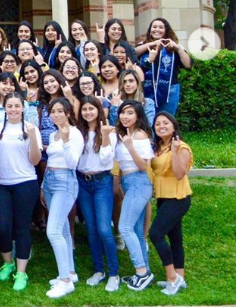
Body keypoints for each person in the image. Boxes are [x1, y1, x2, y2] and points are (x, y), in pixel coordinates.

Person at [0, 92, 42, 292]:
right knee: (1, 226)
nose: (13, 109)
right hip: (1, 184)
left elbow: (35, 161)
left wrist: (34, 136)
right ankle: (7, 262)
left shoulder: (30, 129)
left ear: (23, 108)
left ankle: (21, 271)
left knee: (22, 227)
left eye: (17, 106)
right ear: (5, 107)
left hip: (25, 183)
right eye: (9, 106)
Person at [76, 96, 120, 292]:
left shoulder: (109, 132)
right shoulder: (79, 132)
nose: (87, 112)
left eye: (91, 109)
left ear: (98, 110)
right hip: (83, 183)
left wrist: (103, 137)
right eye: (84, 109)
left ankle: (114, 273)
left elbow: (106, 160)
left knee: (104, 228)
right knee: (92, 229)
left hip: (102, 182)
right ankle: (98, 270)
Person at [41, 98, 84, 299]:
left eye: (60, 111)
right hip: (50, 181)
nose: (56, 114)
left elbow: (73, 163)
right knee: (64, 230)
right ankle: (70, 272)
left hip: (65, 182)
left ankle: (65, 282)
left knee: (54, 231)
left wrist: (66, 141)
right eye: (53, 111)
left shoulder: (74, 134)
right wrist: (43, 186)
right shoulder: (53, 134)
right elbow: (50, 161)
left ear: (68, 112)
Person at [149, 112, 193, 296]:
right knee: (175, 238)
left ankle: (172, 278)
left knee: (156, 234)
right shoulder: (158, 147)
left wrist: (174, 151)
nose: (161, 126)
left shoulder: (181, 147)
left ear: (173, 126)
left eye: (165, 123)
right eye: (157, 124)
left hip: (178, 197)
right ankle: (180, 277)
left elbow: (179, 173)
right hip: (163, 197)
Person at [114, 100, 155, 291]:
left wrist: (130, 147)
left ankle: (141, 272)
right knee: (137, 232)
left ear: (138, 116)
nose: (125, 116)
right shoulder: (125, 134)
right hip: (129, 183)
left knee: (125, 227)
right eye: (122, 112)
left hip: (139, 181)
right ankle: (144, 271)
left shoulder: (140, 135)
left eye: (130, 113)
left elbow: (143, 166)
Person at [136, 18, 192, 115]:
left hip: (170, 89)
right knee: (147, 120)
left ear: (166, 30)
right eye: (154, 27)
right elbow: (133, 53)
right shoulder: (144, 45)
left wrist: (178, 48)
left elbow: (188, 65)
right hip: (147, 88)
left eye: (161, 27)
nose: (157, 29)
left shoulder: (174, 46)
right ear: (150, 30)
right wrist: (152, 44)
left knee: (166, 119)